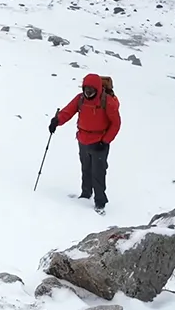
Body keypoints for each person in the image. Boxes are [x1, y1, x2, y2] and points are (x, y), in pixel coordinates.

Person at [49, 73, 121, 213]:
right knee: (86, 168)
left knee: (98, 172)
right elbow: (68, 111)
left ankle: (100, 202)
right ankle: (85, 195)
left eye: (91, 91)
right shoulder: (80, 99)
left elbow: (116, 124)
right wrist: (57, 121)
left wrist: (105, 141)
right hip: (83, 140)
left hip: (99, 142)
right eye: (86, 90)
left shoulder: (107, 102)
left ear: (98, 90)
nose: (88, 93)